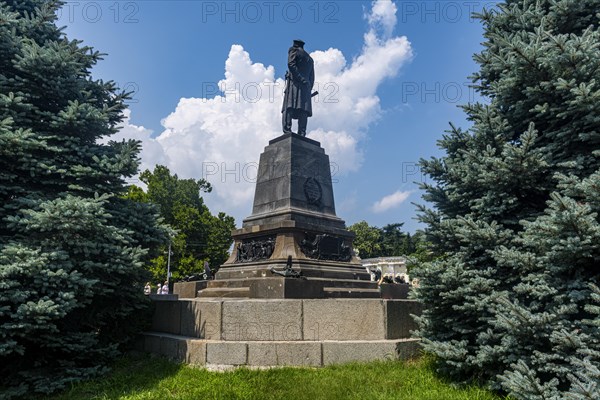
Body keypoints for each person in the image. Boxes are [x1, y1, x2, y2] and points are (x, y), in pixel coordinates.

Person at [282, 39, 315, 136]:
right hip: (306, 87)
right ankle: (302, 132)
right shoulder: (310, 59)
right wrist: (308, 87)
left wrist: (299, 78)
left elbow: (291, 64)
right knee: (303, 109)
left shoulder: (294, 50)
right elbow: (312, 77)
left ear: (295, 45)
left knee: (289, 106)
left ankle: (287, 130)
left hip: (294, 83)